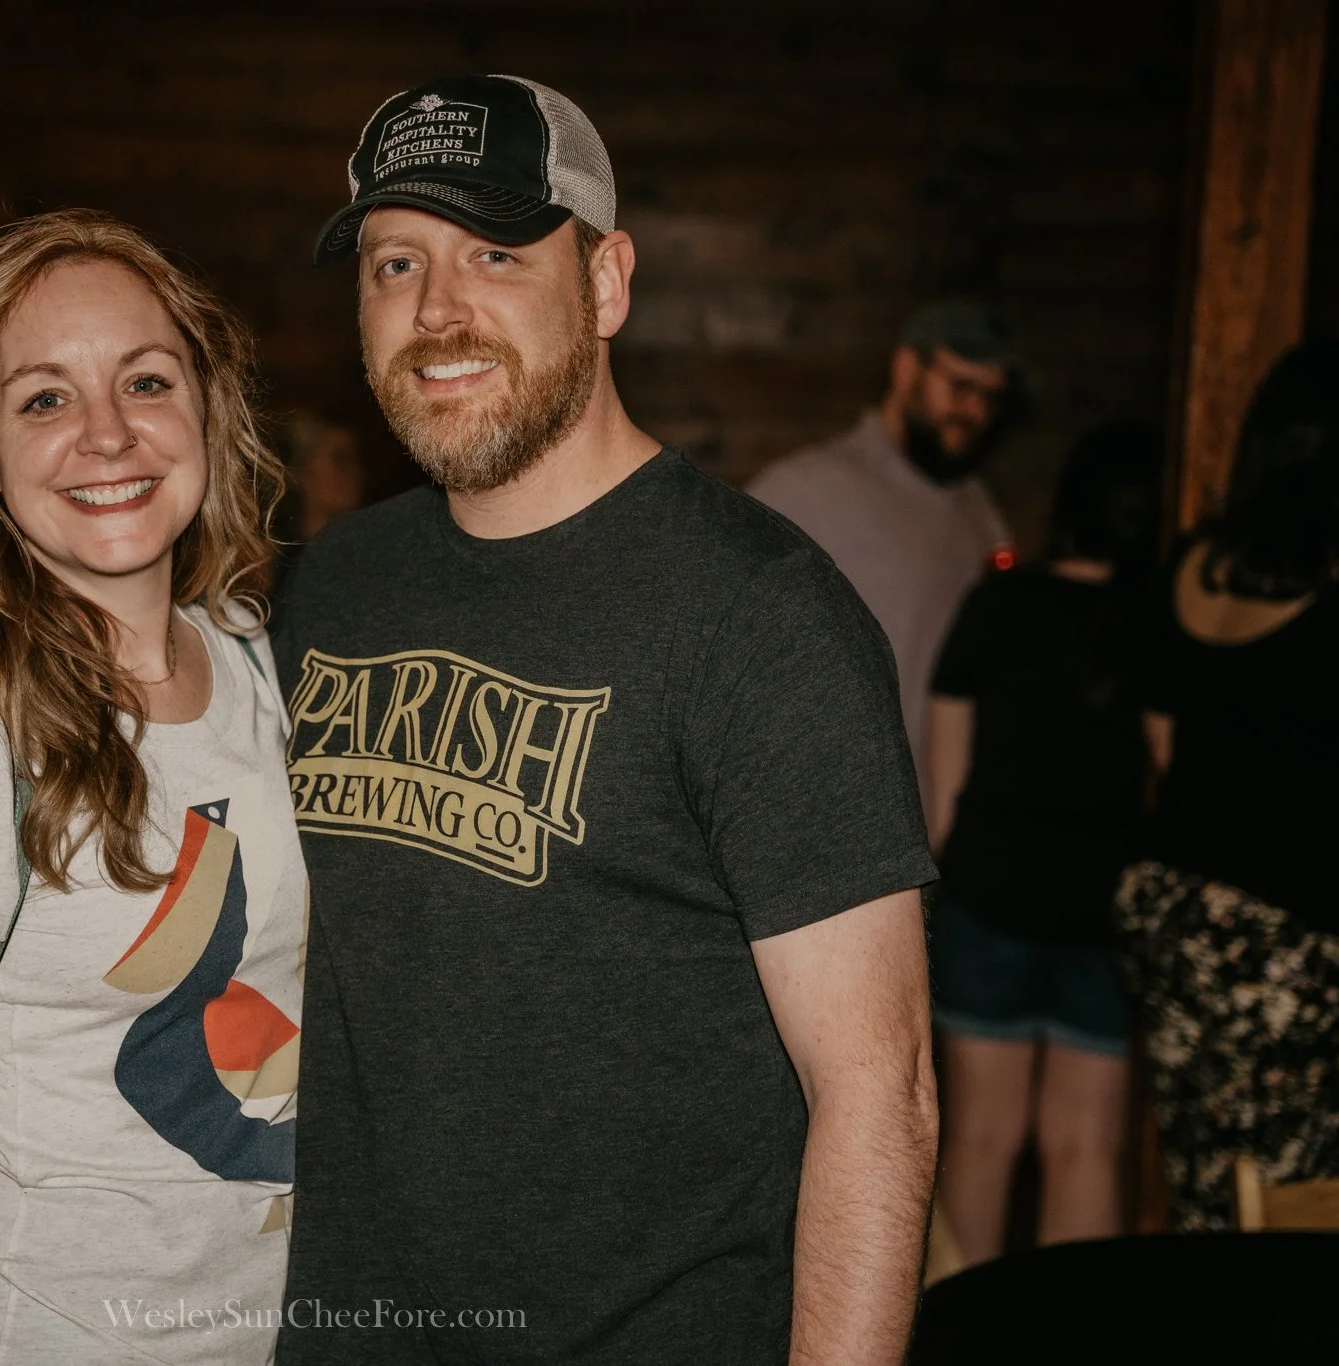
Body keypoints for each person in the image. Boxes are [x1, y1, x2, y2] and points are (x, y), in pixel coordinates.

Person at [275, 76, 938, 1364]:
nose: (435, 309)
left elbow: (880, 1095)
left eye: (495, 254)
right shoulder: (329, 587)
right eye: (391, 261)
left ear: (607, 282)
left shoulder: (761, 618)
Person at [0, 209, 303, 1364]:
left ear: (204, 410)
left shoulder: (257, 666)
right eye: (44, 398)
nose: (106, 434)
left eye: (145, 381)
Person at [925, 421, 1164, 1264]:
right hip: (1102, 913)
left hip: (989, 897)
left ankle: (968, 1340)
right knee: (1087, 1149)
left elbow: (946, 783)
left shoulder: (998, 603)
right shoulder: (1153, 625)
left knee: (983, 1143)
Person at [1117, 339, 1339, 1231]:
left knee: (1211, 1186)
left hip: (1173, 909)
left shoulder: (1194, 564)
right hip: (1287, 935)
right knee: (1294, 1207)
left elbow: (1164, 743)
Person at [748, 301, 1015, 803]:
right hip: (825, 817)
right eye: (960, 387)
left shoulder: (982, 515)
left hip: (939, 827)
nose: (974, 412)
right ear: (907, 367)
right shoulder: (805, 491)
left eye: (990, 398)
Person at [272, 410, 367, 603]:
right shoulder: (273, 564)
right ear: (302, 472)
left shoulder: (366, 555)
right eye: (339, 459)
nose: (354, 472)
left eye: (356, 460)